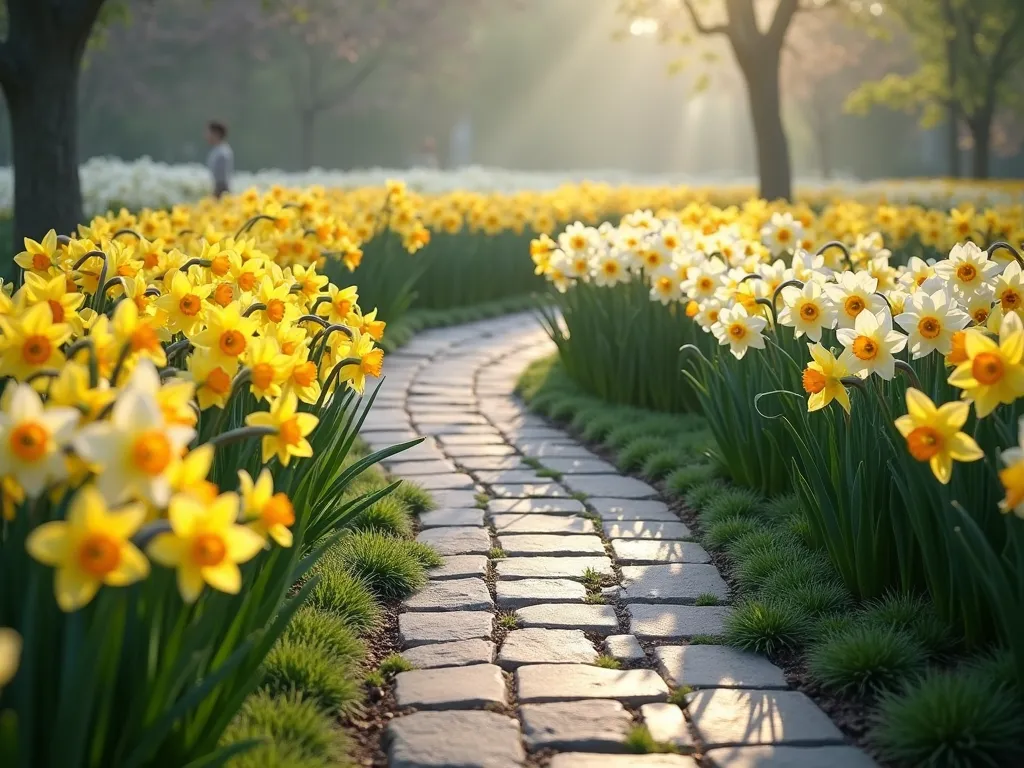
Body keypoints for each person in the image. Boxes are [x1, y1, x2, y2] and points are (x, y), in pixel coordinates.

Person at [206, 120, 233, 198]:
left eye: (209, 133)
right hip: (218, 191)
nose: (206, 136)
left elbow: (221, 179)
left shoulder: (222, 152)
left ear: (216, 133)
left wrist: (215, 195)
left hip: (221, 192)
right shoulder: (217, 150)